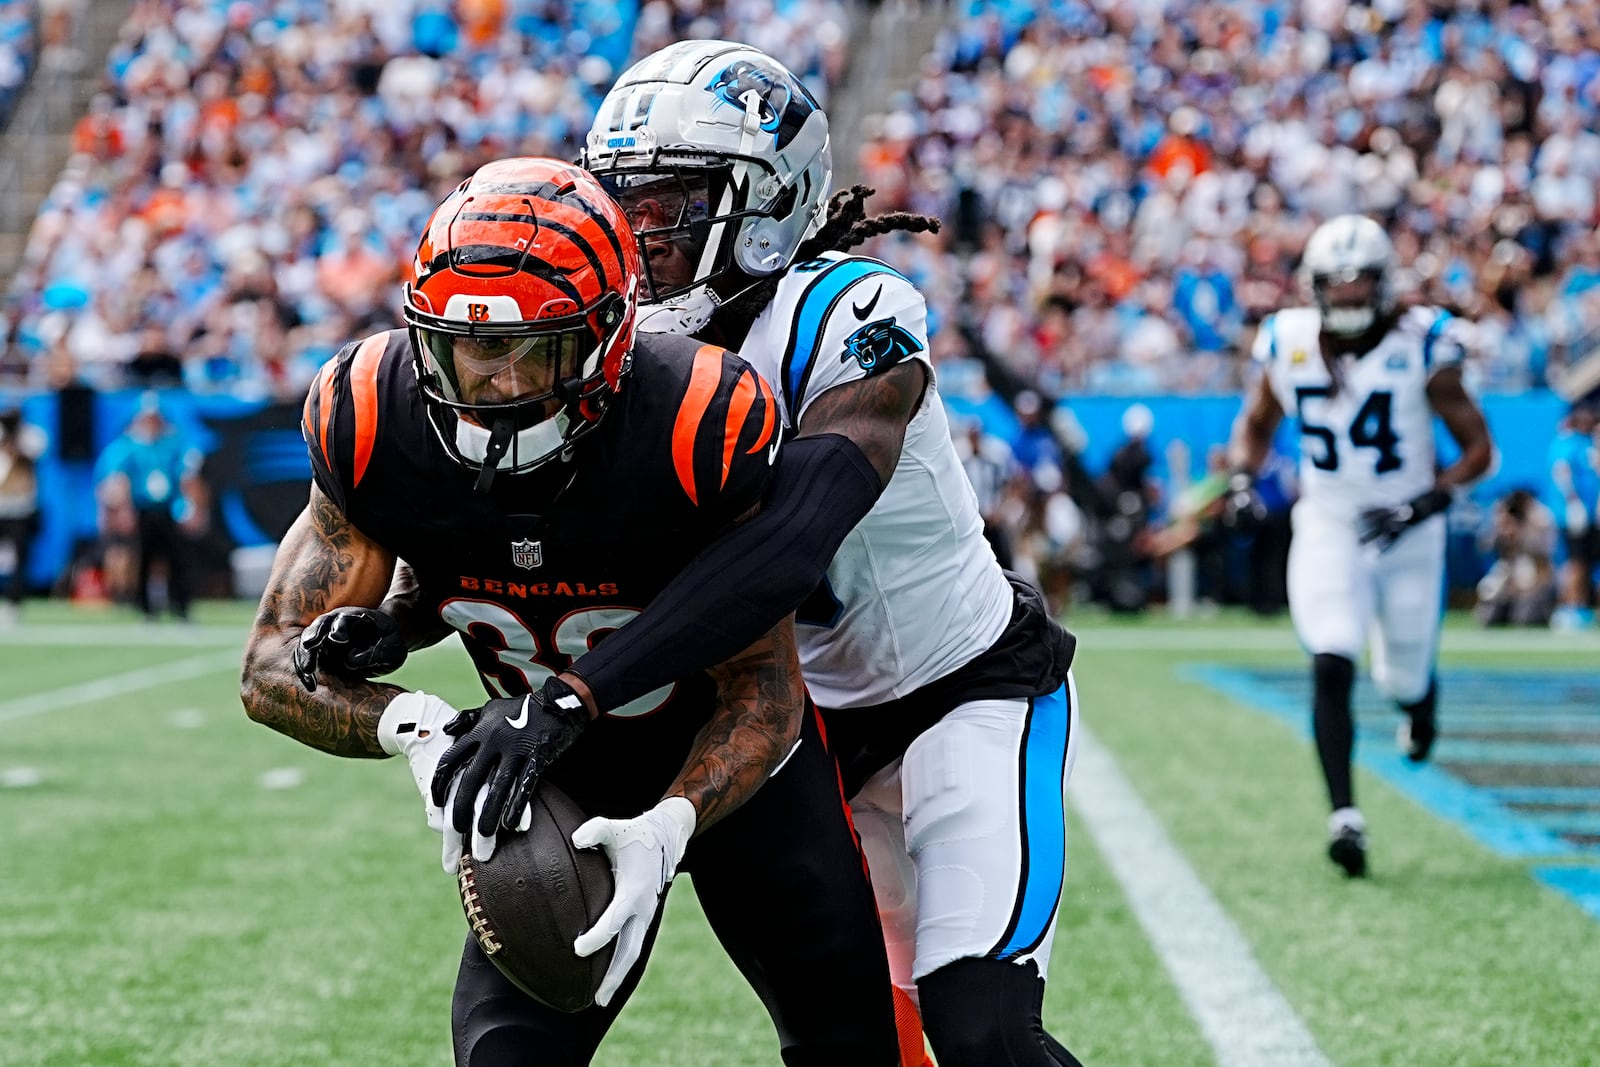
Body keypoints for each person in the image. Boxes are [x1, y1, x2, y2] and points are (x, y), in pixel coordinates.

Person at [239, 158, 903, 1067]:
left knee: (850, 1047)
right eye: (467, 349)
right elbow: (271, 667)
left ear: (610, 336)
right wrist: (416, 721)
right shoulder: (371, 414)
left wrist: (669, 822)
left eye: (533, 349)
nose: (495, 385)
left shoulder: (693, 417)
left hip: (737, 779)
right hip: (547, 778)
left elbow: (763, 692)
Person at [573, 42, 1082, 1066]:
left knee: (978, 1030)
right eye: (625, 203)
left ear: (764, 201)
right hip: (798, 743)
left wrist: (582, 691)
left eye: (669, 202)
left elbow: (794, 535)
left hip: (961, 694)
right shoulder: (623, 358)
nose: (640, 236)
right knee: (847, 1045)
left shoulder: (848, 311)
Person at [1228, 213, 1493, 878]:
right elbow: (1256, 424)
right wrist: (1239, 479)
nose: (1346, 296)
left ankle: (1419, 701)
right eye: (1334, 284)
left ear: (1384, 284)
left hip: (1408, 528)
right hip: (1330, 521)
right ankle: (1344, 815)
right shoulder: (1286, 340)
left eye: (1359, 283)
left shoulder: (1422, 344)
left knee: (1401, 674)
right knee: (1331, 652)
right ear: (1314, 287)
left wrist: (1427, 499)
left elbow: (1480, 449)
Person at [94, 392, 205, 621]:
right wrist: (124, 510)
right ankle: (147, 610)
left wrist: (192, 507)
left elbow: (188, 476)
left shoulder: (174, 443)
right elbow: (118, 480)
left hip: (169, 508)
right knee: (144, 559)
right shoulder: (128, 446)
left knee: (176, 560)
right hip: (143, 508)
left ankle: (180, 607)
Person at [1474, 488, 1558, 628]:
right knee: (1489, 616)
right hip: (1509, 577)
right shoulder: (1502, 521)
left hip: (1534, 582)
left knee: (1524, 617)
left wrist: (1523, 534)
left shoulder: (1540, 521)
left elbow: (1542, 563)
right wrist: (1504, 532)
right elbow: (1485, 548)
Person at [1548, 404, 1598, 630]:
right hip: (1573, 513)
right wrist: (1573, 502)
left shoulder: (1586, 442)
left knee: (1587, 561)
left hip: (1589, 513)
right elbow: (1562, 473)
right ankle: (1572, 605)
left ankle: (1583, 605)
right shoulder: (1567, 442)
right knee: (1576, 561)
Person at [0, 407, 40, 624]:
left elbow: (33, 452)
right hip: (1, 505)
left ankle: (13, 604)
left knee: (19, 559)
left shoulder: (30, 435)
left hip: (20, 508)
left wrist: (16, 436)